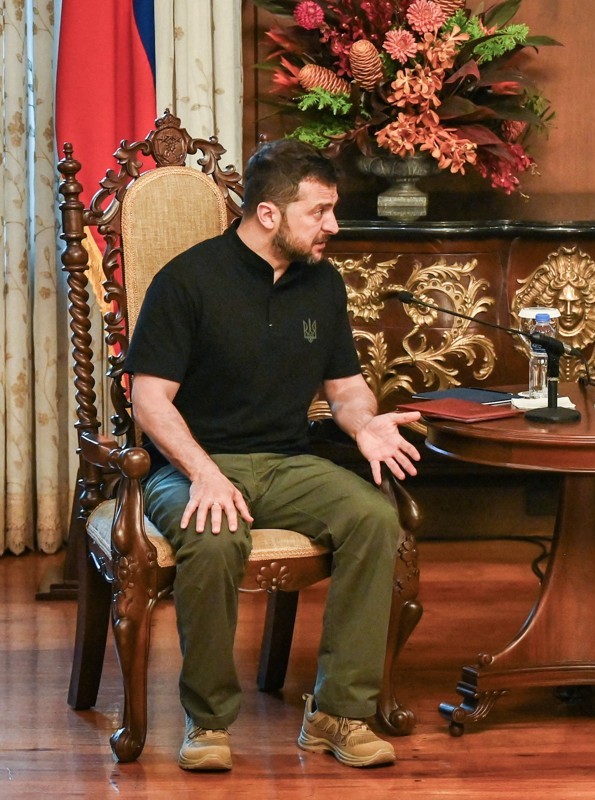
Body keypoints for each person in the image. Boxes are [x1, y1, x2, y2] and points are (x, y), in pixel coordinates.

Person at [125, 138, 422, 771]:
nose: (332, 226)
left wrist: (365, 426)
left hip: (286, 463)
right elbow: (149, 401)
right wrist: (202, 473)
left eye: (332, 210)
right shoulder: (188, 281)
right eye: (319, 212)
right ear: (268, 214)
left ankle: (338, 712)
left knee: (373, 518)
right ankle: (208, 722)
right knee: (215, 533)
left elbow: (345, 391)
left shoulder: (322, 285)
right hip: (189, 466)